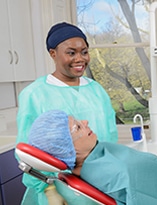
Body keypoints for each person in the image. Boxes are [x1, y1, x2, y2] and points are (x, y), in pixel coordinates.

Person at [16, 22, 118, 204]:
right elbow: (28, 151)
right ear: (53, 53)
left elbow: (110, 135)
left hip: (99, 184)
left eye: (84, 52)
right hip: (58, 188)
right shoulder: (35, 94)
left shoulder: (96, 90)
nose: (80, 59)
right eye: (71, 53)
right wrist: (48, 189)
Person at [25, 110, 157, 205]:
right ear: (66, 148)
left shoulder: (96, 155)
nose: (86, 122)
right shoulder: (116, 173)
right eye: (78, 127)